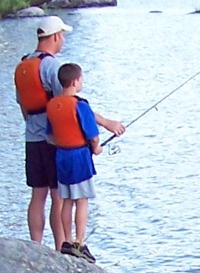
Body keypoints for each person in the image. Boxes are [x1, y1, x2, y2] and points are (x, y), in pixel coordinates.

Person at [14, 15, 125, 250]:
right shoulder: (52, 66)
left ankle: (35, 247)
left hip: (31, 137)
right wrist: (105, 123)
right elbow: (67, 104)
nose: (62, 40)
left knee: (37, 194)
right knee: (58, 195)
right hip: (55, 141)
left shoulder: (23, 65)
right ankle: (61, 247)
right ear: (55, 36)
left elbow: (23, 105)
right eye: (62, 36)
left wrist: (33, 127)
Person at [45, 62, 102, 261]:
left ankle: (67, 241)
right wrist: (96, 148)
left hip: (61, 157)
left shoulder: (52, 105)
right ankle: (80, 242)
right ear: (76, 81)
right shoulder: (80, 105)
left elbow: (49, 136)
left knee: (67, 201)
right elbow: (93, 135)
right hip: (79, 158)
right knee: (82, 201)